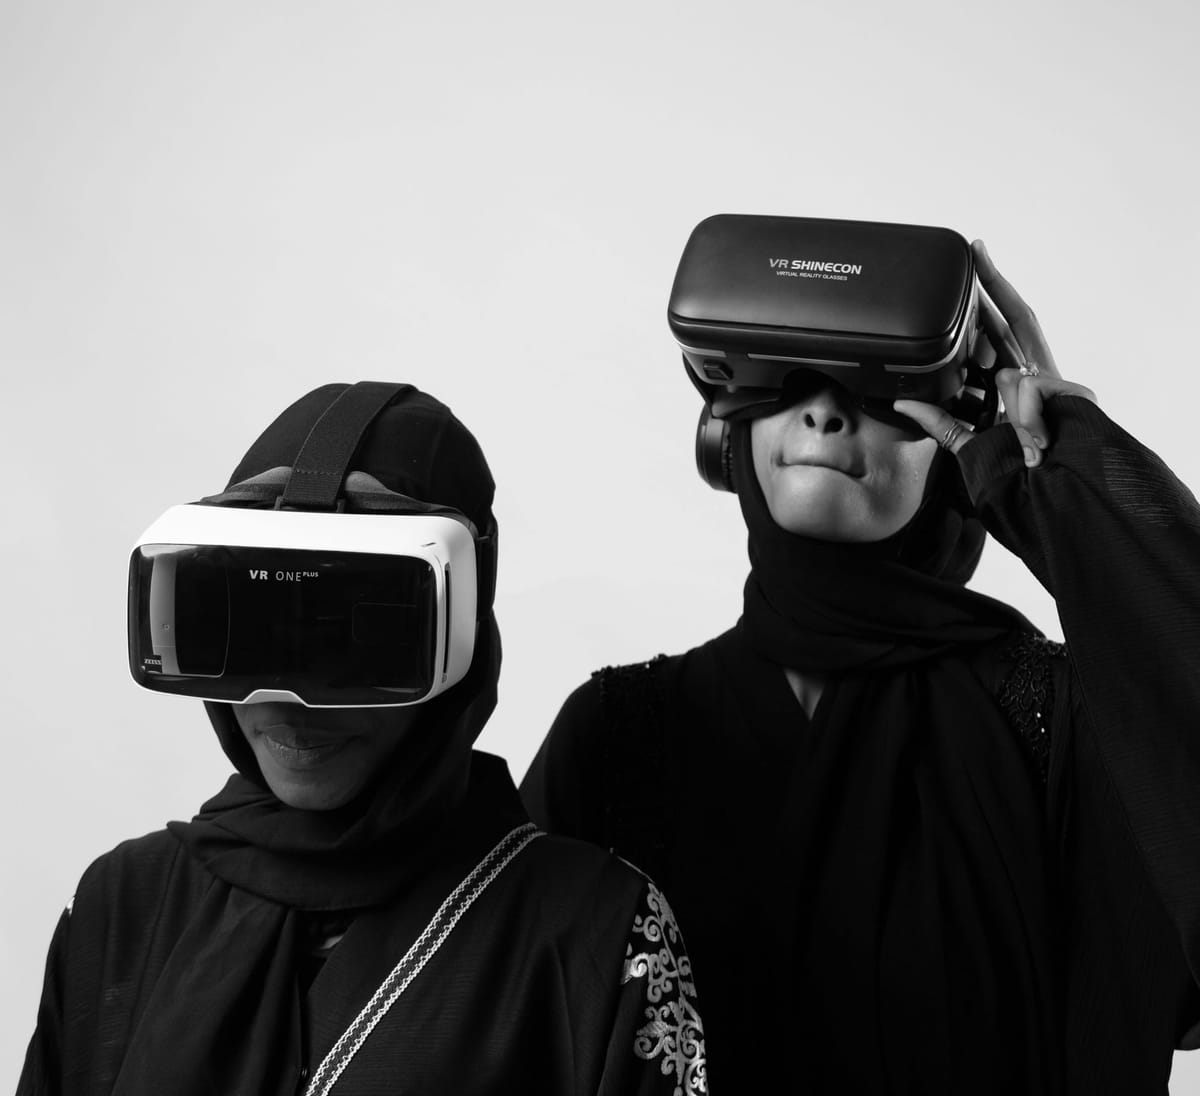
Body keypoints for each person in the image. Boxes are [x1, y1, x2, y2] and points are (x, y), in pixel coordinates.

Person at [521, 240, 1200, 1094]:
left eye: (882, 385)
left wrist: (1080, 490)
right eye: (783, 376)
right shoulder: (614, 733)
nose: (823, 411)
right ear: (726, 432)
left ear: (959, 445)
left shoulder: (1062, 719)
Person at [19, 381, 707, 1096]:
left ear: (459, 632)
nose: (292, 699)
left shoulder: (596, 933)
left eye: (353, 634)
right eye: (253, 630)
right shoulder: (120, 906)